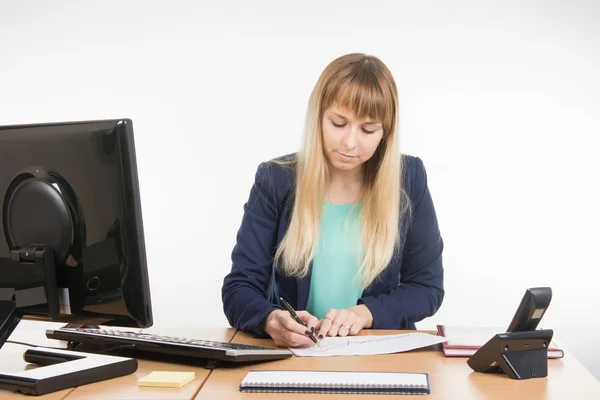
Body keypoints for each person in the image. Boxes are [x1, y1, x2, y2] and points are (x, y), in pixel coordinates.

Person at [222, 53, 444, 348]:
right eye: (338, 123)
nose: (350, 143)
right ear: (318, 117)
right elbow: (239, 287)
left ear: (385, 133)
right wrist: (271, 319)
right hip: (297, 355)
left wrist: (364, 314)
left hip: (380, 354)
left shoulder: (409, 178)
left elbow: (426, 288)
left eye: (368, 129)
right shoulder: (275, 179)